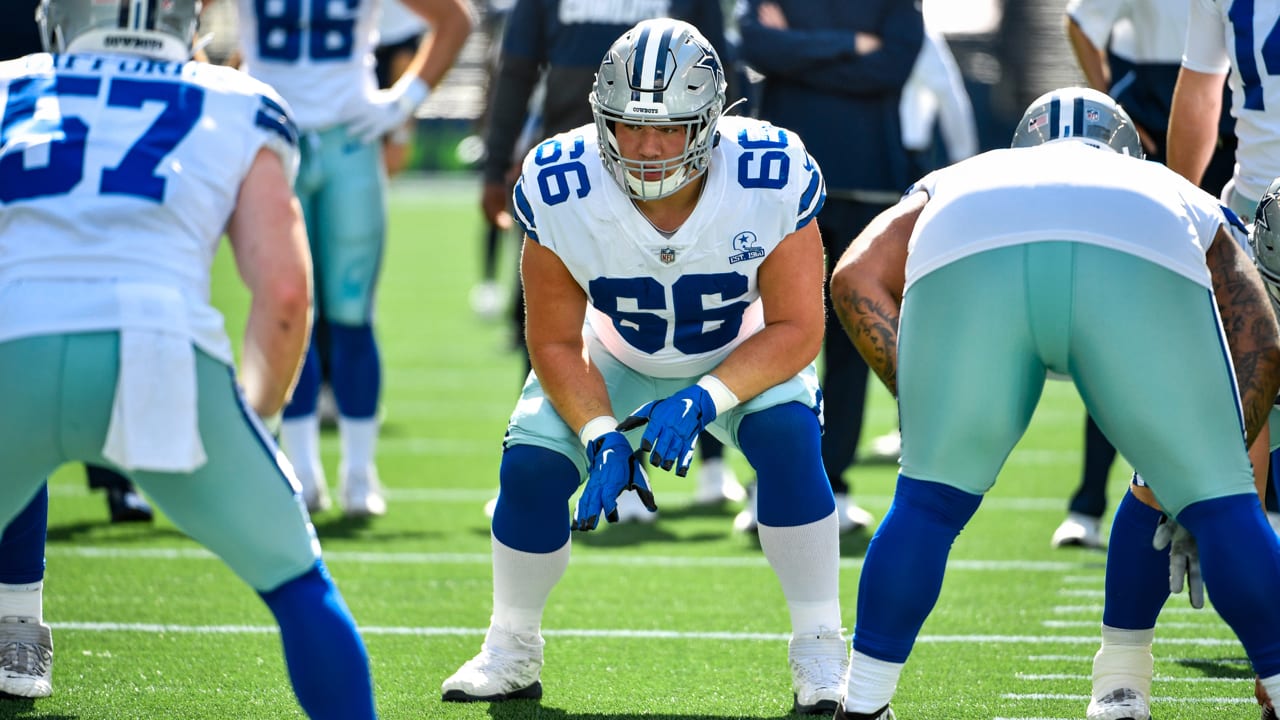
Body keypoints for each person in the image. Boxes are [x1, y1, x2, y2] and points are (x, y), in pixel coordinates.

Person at [827, 86, 1280, 720]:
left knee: (926, 506)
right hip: (1137, 245)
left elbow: (852, 277)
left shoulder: (960, 177)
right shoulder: (1175, 194)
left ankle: (865, 698)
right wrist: (1212, 479)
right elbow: (1258, 332)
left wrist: (924, 387)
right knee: (1226, 506)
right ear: (1127, 149)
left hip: (975, 243)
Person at [440, 19, 846, 714]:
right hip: (615, 353)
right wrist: (601, 433)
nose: (648, 148)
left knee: (788, 441)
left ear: (712, 122)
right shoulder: (560, 181)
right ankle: (510, 646)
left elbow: (799, 328)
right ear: (602, 118)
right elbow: (557, 341)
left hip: (738, 348)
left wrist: (703, 399)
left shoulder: (768, 174)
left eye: (671, 128)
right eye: (628, 126)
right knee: (531, 469)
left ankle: (820, 646)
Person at [0, 0, 381, 716]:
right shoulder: (236, 100)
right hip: (162, 352)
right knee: (299, 584)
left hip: (11, 343)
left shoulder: (10, 83)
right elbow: (286, 293)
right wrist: (257, 416)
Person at [476, 0, 742, 517]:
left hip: (677, 165)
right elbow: (518, 64)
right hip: (577, 169)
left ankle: (712, 464)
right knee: (552, 324)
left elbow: (717, 72)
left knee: (697, 312)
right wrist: (496, 162)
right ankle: (544, 464)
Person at [235, 0, 473, 517]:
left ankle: (360, 472)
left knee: (351, 312)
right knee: (285, 310)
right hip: (271, 140)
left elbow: (455, 19)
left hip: (348, 139)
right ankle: (298, 467)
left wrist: (401, 102)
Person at [1052, 0, 1238, 550]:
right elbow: (1080, 23)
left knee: (1243, 327)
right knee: (1125, 321)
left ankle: (1252, 502)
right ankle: (1088, 500)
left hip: (1229, 128)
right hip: (1167, 117)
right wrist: (1119, 105)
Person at [736, 0, 924, 534]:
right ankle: (769, 481)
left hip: (868, 184)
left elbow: (892, 66)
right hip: (782, 188)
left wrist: (799, 53)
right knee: (773, 335)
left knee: (850, 342)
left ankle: (832, 482)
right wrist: (850, 45)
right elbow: (757, 46)